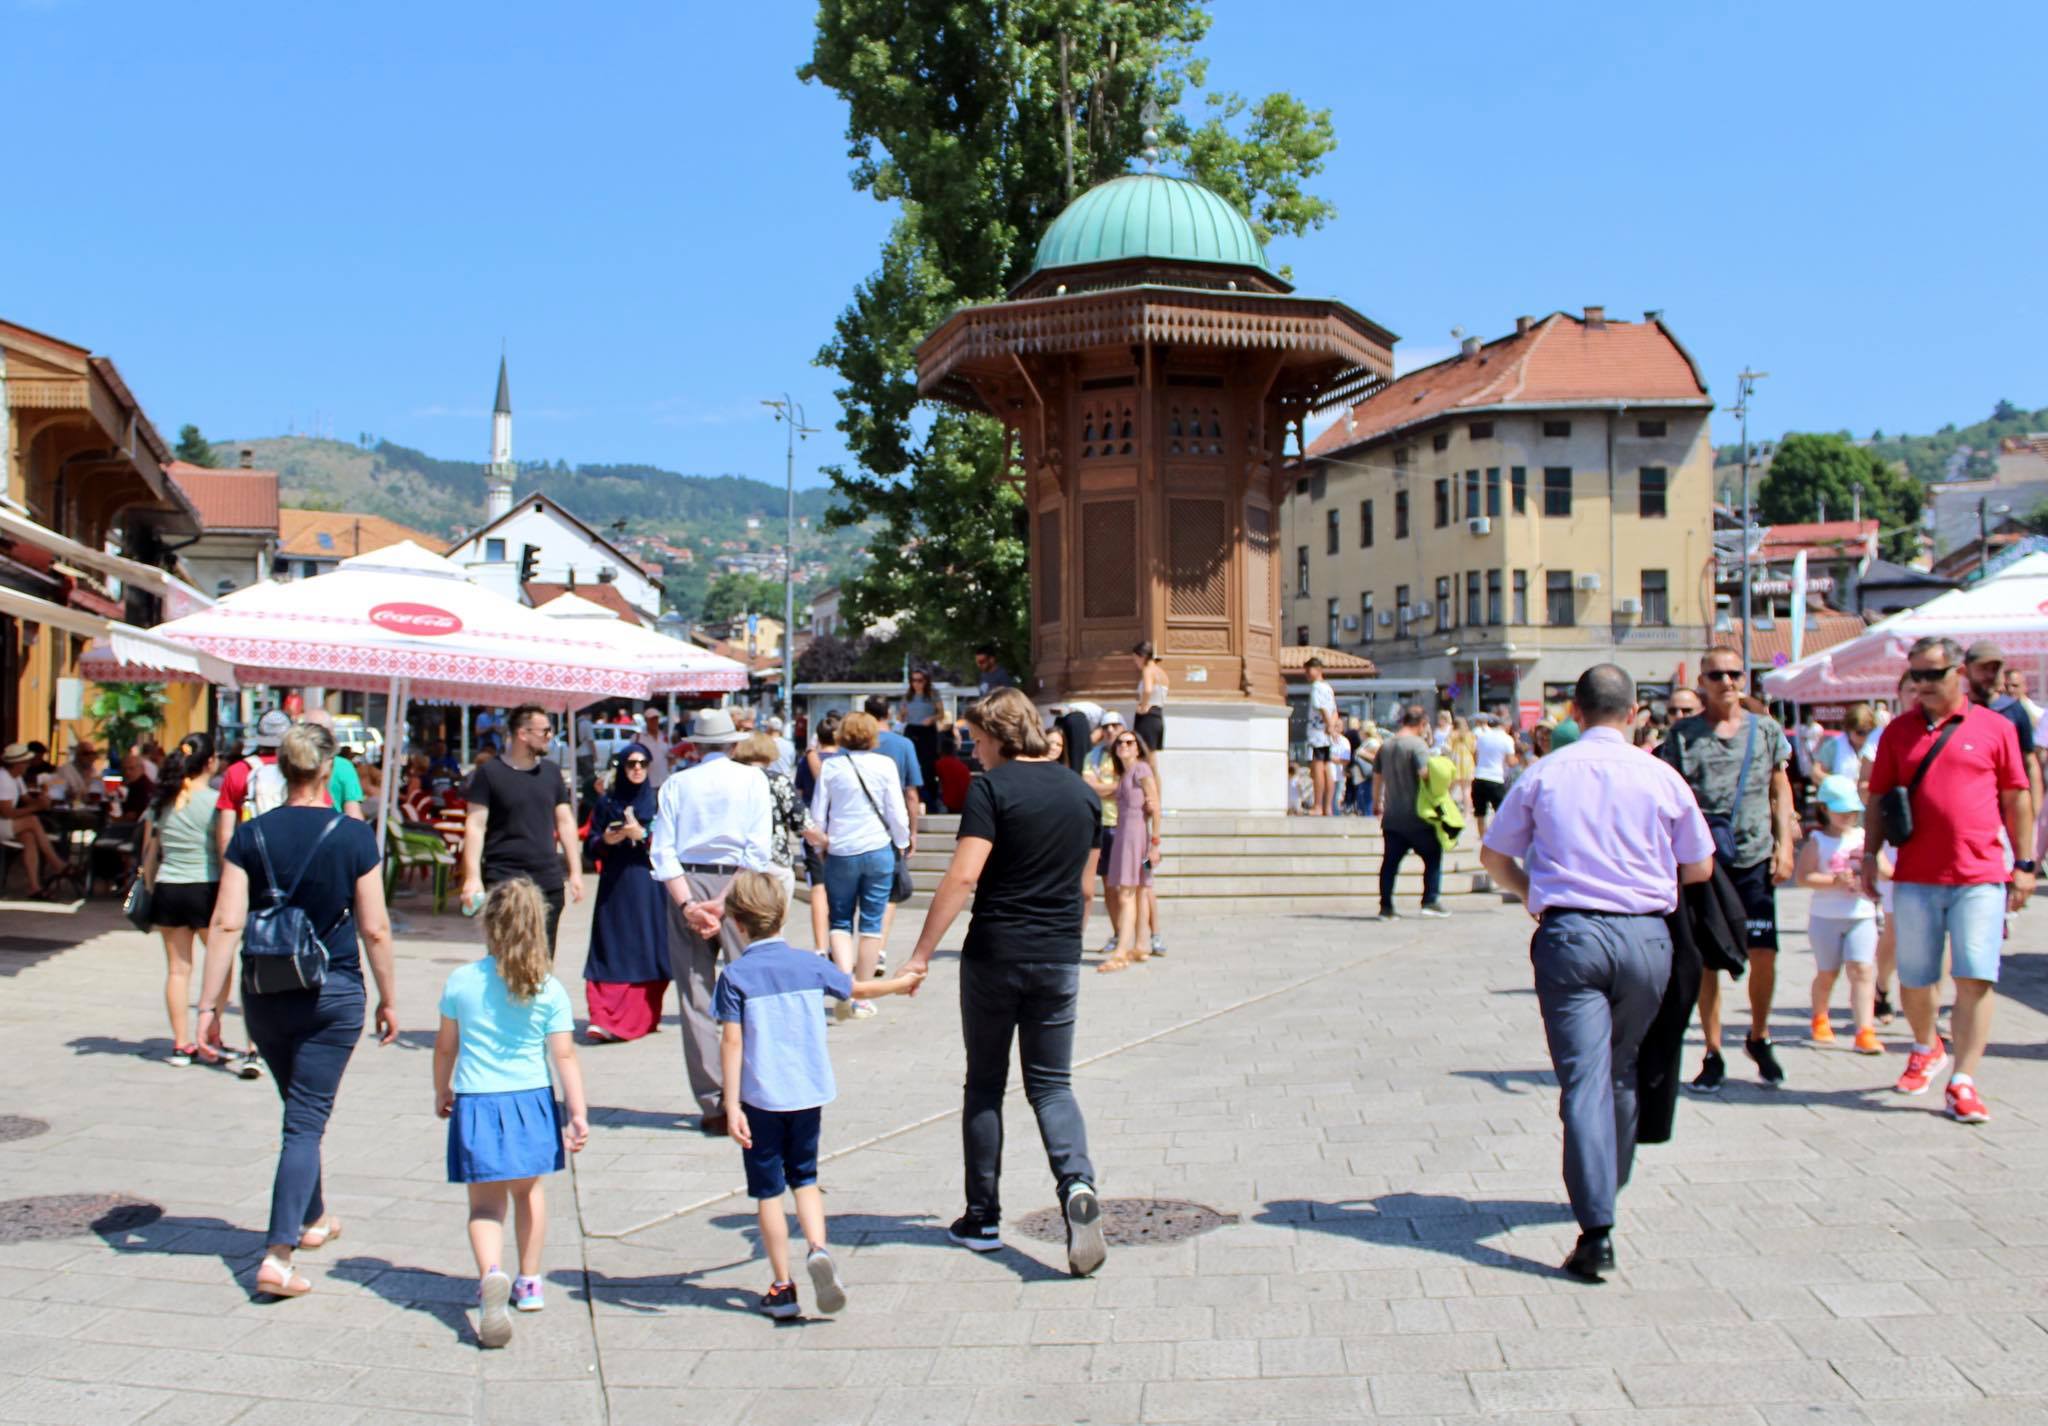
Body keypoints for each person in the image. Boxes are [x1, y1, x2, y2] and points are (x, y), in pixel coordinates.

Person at [1479, 664, 1716, 1282]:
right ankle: (1611, 1178)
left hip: (1572, 933)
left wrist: (1534, 894)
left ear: (1574, 713)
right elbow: (1699, 867)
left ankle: (1597, 1228)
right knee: (1623, 1066)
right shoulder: (1661, 777)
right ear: (1636, 712)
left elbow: (1494, 855)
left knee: (1584, 1078)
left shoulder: (1545, 773)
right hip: (1646, 936)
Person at [902, 688, 1106, 1277]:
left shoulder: (992, 789)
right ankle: (1076, 1184)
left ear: (998, 736)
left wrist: (919, 954)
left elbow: (964, 876)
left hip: (995, 954)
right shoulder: (1082, 794)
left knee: (985, 1084)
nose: (974, 753)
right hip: (1059, 956)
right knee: (1051, 1085)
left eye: (977, 741)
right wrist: (1069, 941)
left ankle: (982, 1216)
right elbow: (1087, 890)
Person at [197, 722, 398, 1299]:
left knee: (299, 1111)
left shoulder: (250, 835)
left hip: (264, 990)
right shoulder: (354, 836)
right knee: (305, 1120)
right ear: (329, 769)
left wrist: (210, 1006)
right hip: (331, 989)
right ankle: (277, 1254)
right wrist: (389, 996)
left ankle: (312, 1218)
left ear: (282, 769)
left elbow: (227, 922)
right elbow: (376, 927)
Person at [714, 870, 922, 1318]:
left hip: (760, 1098)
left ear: (735, 921)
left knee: (768, 1191)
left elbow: (732, 1042)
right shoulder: (809, 965)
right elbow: (857, 988)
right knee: (805, 1178)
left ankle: (782, 1287)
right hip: (808, 1093)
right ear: (785, 914)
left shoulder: (734, 976)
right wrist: (901, 984)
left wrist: (731, 1104)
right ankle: (818, 1249)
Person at [1864, 636, 2035, 1123]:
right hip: (1916, 874)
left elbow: (2016, 796)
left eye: (1932, 675)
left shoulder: (1995, 728)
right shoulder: (1897, 732)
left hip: (1979, 873)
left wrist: (2024, 864)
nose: (1922, 685)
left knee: (1975, 975)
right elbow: (1878, 800)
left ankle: (1963, 1079)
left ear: (1958, 672)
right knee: (1916, 981)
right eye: (1915, 675)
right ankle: (1926, 1044)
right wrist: (1869, 856)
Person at [433, 879, 590, 1346]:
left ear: (488, 924)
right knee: (529, 1193)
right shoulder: (548, 987)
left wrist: (442, 1089)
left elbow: (445, 1047)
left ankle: (490, 1276)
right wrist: (577, 1112)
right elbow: (564, 1056)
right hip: (531, 1101)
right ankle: (530, 1280)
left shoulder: (461, 981)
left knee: (484, 1206)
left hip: (478, 1101)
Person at [1658, 646, 1796, 1092]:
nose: (1726, 681)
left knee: (1764, 951)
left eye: (1734, 673)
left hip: (1754, 854)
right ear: (1703, 680)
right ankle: (1713, 1050)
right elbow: (1672, 798)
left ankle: (1758, 1035)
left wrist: (1786, 844)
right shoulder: (1683, 736)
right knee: (1706, 960)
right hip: (1705, 862)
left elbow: (1780, 787)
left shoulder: (1766, 730)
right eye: (1716, 674)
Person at [649, 707, 774, 1135]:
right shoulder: (753, 780)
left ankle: (715, 1102)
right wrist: (723, 901)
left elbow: (661, 851)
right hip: (738, 884)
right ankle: (753, 1094)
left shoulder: (678, 783)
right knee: (751, 991)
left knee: (695, 996)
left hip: (686, 879)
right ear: (733, 743)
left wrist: (689, 905)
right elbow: (759, 849)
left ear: (696, 746)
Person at [141, 734, 259, 1076]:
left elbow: (150, 851)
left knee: (178, 970)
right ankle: (212, 1031)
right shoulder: (214, 802)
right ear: (211, 762)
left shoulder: (162, 800)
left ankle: (180, 1043)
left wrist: (149, 888)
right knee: (220, 964)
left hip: (168, 886)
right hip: (206, 888)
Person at [460, 704, 585, 959]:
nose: (550, 736)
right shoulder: (489, 773)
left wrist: (576, 871)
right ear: (522, 734)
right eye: (545, 731)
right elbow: (475, 825)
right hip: (505, 878)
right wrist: (472, 877)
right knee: (502, 959)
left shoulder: (551, 773)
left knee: (543, 960)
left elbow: (565, 822)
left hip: (547, 880)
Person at [808, 710, 911, 997]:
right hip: (878, 848)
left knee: (840, 920)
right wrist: (902, 842)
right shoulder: (885, 764)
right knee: (872, 921)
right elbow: (896, 811)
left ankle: (844, 984)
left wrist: (820, 846)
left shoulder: (831, 767)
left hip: (840, 850)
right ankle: (863, 994)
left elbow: (818, 813)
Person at [580, 744, 671, 1043]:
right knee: (610, 945)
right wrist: (608, 838)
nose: (637, 769)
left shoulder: (658, 802)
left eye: (643, 763)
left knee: (647, 946)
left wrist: (642, 836)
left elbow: (670, 844)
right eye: (631, 763)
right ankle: (603, 1016)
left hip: (648, 885)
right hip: (615, 884)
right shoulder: (607, 803)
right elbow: (590, 844)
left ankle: (639, 1017)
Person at [1799, 774, 1882, 1054]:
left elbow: (1881, 869)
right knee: (1828, 973)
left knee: (1862, 970)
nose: (1847, 816)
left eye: (1851, 811)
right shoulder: (1818, 841)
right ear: (1824, 809)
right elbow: (1804, 877)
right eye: (1840, 810)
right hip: (1825, 917)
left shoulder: (1864, 839)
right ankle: (1820, 1016)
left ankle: (1864, 1031)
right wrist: (1833, 881)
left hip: (1861, 914)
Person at [1374, 705, 1449, 920]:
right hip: (1418, 816)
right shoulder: (1418, 745)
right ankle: (1430, 900)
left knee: (1390, 863)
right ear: (1422, 724)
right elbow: (1424, 773)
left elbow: (1377, 777)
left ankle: (1386, 906)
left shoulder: (1385, 745)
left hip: (1392, 815)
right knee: (1433, 856)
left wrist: (1378, 802)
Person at [1097, 728, 1161, 973]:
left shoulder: (1141, 769)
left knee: (1127, 892)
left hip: (1136, 838)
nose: (1123, 745)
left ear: (1137, 747)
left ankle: (1121, 951)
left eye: (1129, 742)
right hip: (1128, 835)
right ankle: (1141, 945)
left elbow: (1155, 806)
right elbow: (1111, 794)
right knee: (1142, 889)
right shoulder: (1125, 774)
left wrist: (1155, 844)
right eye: (1120, 743)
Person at [733, 731, 813, 924]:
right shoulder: (777, 781)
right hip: (773, 857)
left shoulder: (730, 779)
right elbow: (801, 821)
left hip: (736, 859)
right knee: (775, 922)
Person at [863, 693, 925, 945]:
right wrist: (912, 831)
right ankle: (878, 947)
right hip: (890, 827)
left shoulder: (850, 746)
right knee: (889, 893)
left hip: (856, 828)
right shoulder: (903, 745)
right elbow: (911, 794)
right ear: (888, 713)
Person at [1966, 641, 2043, 827]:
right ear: (1967, 670)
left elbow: (2030, 762)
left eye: (1994, 669)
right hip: (1971, 811)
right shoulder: (1959, 710)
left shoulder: (2013, 710)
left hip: (2010, 810)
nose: (1989, 675)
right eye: (1983, 669)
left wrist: (2036, 814)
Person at [215, 709, 295, 856]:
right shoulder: (298, 770)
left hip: (250, 857)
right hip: (289, 857)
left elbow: (225, 834)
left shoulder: (237, 771)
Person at [796, 711, 841, 950]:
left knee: (818, 888)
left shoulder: (807, 760)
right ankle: (839, 943)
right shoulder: (846, 760)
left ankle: (820, 947)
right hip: (842, 829)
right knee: (841, 890)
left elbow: (800, 795)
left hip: (814, 830)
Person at [0, 741, 64, 899]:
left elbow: (26, 799)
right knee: (32, 821)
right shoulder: (3, 779)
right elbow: (7, 812)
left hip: (7, 823)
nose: (28, 765)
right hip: (3, 821)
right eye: (26, 762)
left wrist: (41, 801)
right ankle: (57, 864)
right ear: (17, 764)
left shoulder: (16, 778)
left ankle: (34, 887)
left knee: (29, 836)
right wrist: (37, 807)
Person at [1304, 656, 1340, 816]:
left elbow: (1323, 709)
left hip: (1318, 732)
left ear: (1317, 670)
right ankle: (1328, 807)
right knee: (1327, 768)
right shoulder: (1328, 688)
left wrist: (1329, 726)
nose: (1306, 673)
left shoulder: (1317, 687)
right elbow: (1334, 711)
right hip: (1326, 733)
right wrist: (1332, 726)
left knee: (1317, 768)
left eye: (1308, 670)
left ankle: (1318, 806)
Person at [1471, 714, 1518, 837]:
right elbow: (1511, 762)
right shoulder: (1507, 739)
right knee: (1500, 811)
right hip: (1495, 777)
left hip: (1479, 776)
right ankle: (1499, 836)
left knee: (1480, 813)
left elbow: (1475, 755)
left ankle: (1483, 838)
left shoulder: (1482, 737)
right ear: (1506, 725)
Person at [901, 670, 942, 803]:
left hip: (927, 730)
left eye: (920, 680)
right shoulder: (908, 696)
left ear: (926, 681)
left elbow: (941, 714)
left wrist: (932, 718)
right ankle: (912, 795)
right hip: (912, 729)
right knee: (911, 761)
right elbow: (901, 717)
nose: (916, 684)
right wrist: (902, 714)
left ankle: (930, 798)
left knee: (928, 765)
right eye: (913, 680)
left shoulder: (932, 694)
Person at [1132, 641, 1168, 752]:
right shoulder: (1162, 672)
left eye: (1135, 659)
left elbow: (1147, 690)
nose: (1135, 662)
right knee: (1151, 756)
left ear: (1142, 657)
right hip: (1158, 715)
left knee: (1144, 753)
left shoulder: (1147, 670)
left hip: (1147, 717)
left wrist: (1143, 706)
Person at [638, 707, 674, 788]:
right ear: (646, 720)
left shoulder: (664, 737)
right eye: (651, 719)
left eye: (656, 719)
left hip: (663, 782)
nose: (654, 722)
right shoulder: (638, 737)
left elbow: (670, 757)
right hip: (646, 783)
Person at [1449, 716, 1477, 812]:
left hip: (1455, 762)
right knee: (1466, 789)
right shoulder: (1470, 735)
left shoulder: (1452, 734)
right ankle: (1467, 812)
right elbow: (1474, 749)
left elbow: (1447, 748)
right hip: (1467, 762)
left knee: (1450, 789)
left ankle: (1448, 809)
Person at [764, 715, 798, 782]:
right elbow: (792, 762)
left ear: (769, 728)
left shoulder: (764, 744)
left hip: (770, 781)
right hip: (786, 781)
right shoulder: (789, 744)